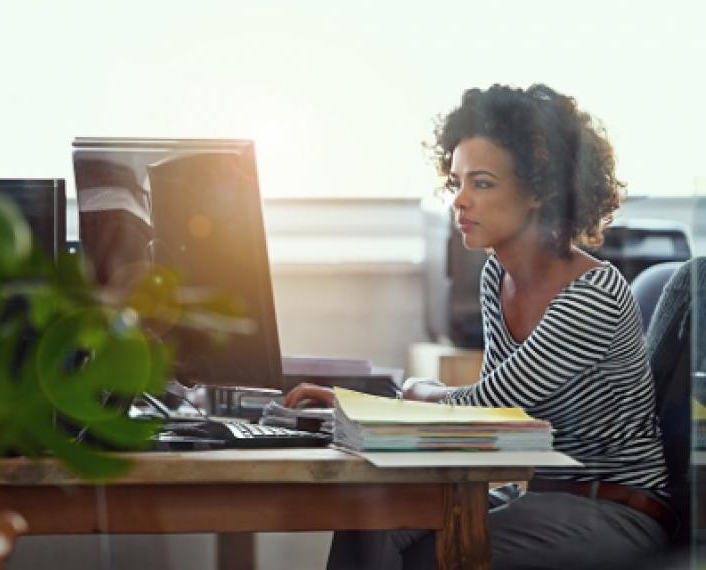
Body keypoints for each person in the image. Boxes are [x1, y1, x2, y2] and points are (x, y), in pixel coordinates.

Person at [285, 84, 673, 569]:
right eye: (457, 183)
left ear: (541, 189)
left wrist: (384, 400)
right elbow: (488, 415)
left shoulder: (593, 295)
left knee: (433, 556)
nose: (460, 202)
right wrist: (372, 404)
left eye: (482, 183)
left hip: (612, 510)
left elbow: (487, 411)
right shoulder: (497, 275)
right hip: (534, 495)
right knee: (370, 513)